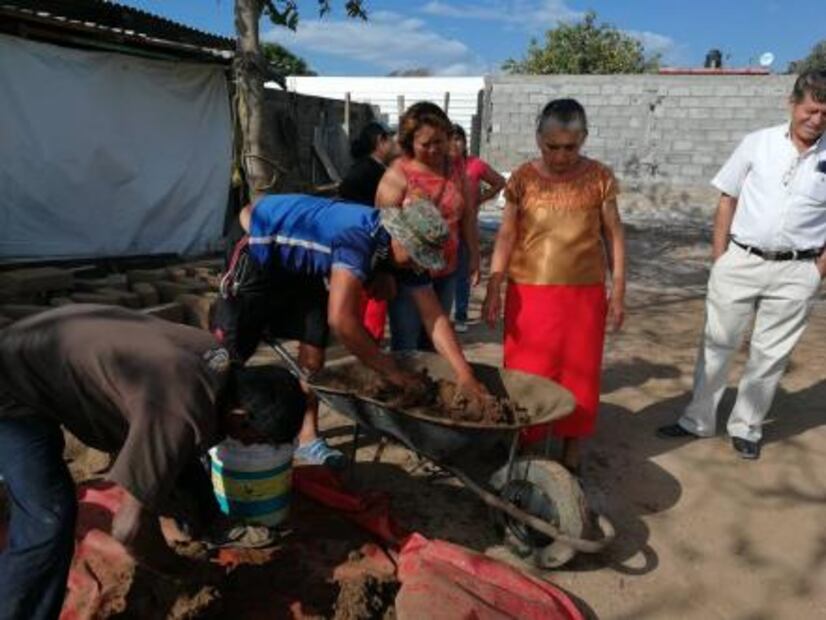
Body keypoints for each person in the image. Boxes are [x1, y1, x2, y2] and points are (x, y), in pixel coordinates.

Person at [0, 304, 306, 620]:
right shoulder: (178, 409)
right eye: (254, 437)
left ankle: (209, 523)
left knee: (184, 443)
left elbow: (183, 433)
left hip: (51, 344)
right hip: (11, 381)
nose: (247, 444)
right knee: (48, 516)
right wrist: (180, 569)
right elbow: (128, 529)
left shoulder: (217, 358)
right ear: (240, 415)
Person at [211, 194, 488, 436]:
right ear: (399, 238)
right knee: (230, 352)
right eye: (417, 256)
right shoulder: (357, 239)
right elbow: (342, 322)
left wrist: (464, 373)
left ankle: (308, 434)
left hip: (302, 265)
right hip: (259, 239)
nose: (419, 264)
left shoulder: (401, 252)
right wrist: (391, 371)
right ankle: (214, 427)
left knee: (314, 345)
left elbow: (434, 316)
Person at [657, 70, 826, 460]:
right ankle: (697, 420)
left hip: (797, 271)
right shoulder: (758, 144)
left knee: (769, 355)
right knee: (717, 345)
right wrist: (721, 258)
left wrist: (815, 272)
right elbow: (727, 199)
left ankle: (746, 426)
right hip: (741, 261)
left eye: (824, 114)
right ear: (793, 104)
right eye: (811, 110)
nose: (816, 120)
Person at [482, 99, 626, 473]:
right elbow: (507, 234)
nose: (561, 156)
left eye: (570, 147)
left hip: (583, 294)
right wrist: (495, 285)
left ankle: (572, 444)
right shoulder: (521, 179)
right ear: (538, 139)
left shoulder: (600, 178)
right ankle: (525, 437)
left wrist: (619, 292)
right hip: (529, 294)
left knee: (579, 370)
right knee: (527, 367)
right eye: (552, 147)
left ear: (584, 140)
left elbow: (614, 237)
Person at [375, 102, 481, 351]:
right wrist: (384, 273)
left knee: (436, 341)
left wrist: (474, 255)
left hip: (448, 271)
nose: (434, 149)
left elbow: (466, 215)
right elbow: (381, 230)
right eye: (425, 144)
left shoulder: (455, 167)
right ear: (410, 142)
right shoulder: (397, 175)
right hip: (408, 274)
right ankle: (407, 388)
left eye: (440, 141)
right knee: (407, 344)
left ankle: (430, 387)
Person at [338, 121, 400, 342]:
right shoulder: (368, 172)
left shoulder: (371, 169)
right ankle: (369, 347)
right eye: (390, 139)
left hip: (366, 245)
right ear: (380, 142)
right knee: (371, 302)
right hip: (367, 246)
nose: (395, 143)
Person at [449, 124, 506, 333]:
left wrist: (480, 199)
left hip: (468, 228)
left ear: (465, 142)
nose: (455, 143)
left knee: (463, 272)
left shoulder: (474, 165)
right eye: (451, 139)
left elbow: (500, 182)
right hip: (446, 229)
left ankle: (461, 314)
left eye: (459, 139)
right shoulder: (440, 166)